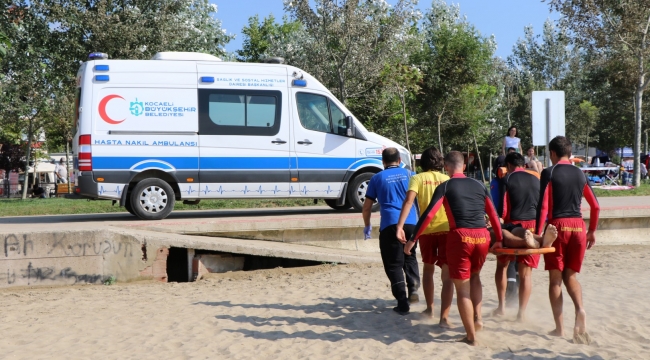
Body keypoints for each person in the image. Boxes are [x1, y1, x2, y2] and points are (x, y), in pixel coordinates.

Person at [405, 151, 502, 346]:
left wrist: (413, 238)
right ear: (464, 166)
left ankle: (471, 337)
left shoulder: (446, 186)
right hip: (482, 236)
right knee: (475, 277)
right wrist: (498, 239)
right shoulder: (479, 185)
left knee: (462, 289)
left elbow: (430, 214)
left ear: (447, 167)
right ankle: (478, 318)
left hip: (461, 237)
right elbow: (493, 214)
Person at [536, 136, 600, 345]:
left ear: (553, 153)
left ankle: (559, 328)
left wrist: (539, 234)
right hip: (579, 227)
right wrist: (591, 231)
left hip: (558, 228)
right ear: (569, 153)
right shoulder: (580, 173)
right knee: (570, 276)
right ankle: (580, 309)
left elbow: (543, 206)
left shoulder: (549, 172)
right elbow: (596, 206)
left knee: (555, 279)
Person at [395, 147, 453, 327]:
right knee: (447, 274)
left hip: (426, 230)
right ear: (441, 162)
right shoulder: (447, 179)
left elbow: (409, 201)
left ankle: (430, 309)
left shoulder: (417, 178)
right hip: (447, 229)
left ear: (423, 162)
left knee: (428, 270)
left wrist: (399, 226)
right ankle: (444, 317)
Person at [491, 153, 550, 321]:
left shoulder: (507, 179)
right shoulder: (536, 179)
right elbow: (542, 207)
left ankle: (502, 307)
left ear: (509, 165)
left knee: (502, 266)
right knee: (526, 273)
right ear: (523, 164)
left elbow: (503, 211)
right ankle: (521, 313)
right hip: (532, 226)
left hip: (513, 226)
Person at [362, 147, 420, 315]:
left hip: (389, 224)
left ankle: (402, 303)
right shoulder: (411, 175)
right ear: (400, 160)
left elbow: (367, 207)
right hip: (411, 223)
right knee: (410, 256)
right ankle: (414, 288)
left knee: (393, 264)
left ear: (383, 161)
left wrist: (367, 225)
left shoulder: (376, 178)